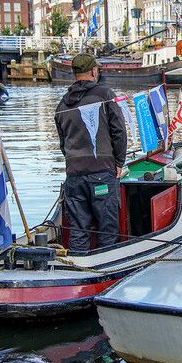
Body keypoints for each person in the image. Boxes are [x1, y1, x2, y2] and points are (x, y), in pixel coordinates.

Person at [54, 53, 127, 253]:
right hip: (102, 174)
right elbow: (119, 131)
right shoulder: (105, 95)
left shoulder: (62, 104)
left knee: (78, 229)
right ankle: (105, 270)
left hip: (74, 176)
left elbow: (63, 142)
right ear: (94, 71)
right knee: (108, 228)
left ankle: (79, 269)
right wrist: (119, 162)